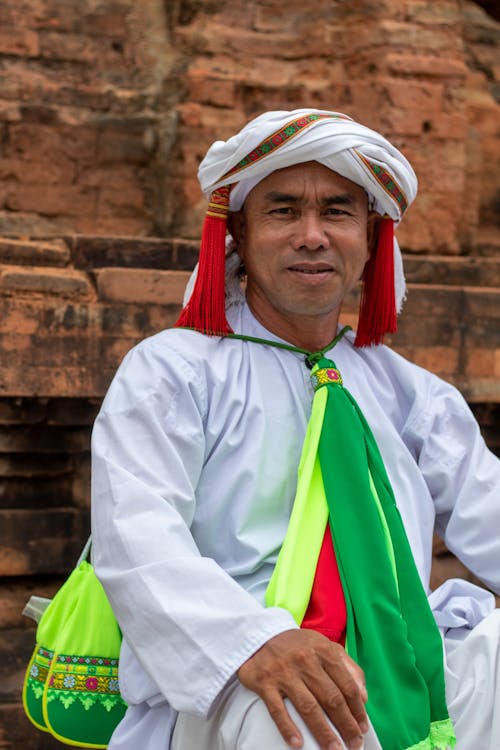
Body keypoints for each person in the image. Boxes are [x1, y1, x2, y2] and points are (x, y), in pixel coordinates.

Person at [91, 109, 500, 750]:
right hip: (241, 677)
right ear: (239, 236)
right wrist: (255, 641)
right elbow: (137, 540)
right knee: (303, 713)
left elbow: (492, 512)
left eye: (337, 212)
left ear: (371, 239)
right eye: (283, 211)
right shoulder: (172, 371)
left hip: (398, 655)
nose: (313, 235)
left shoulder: (410, 394)